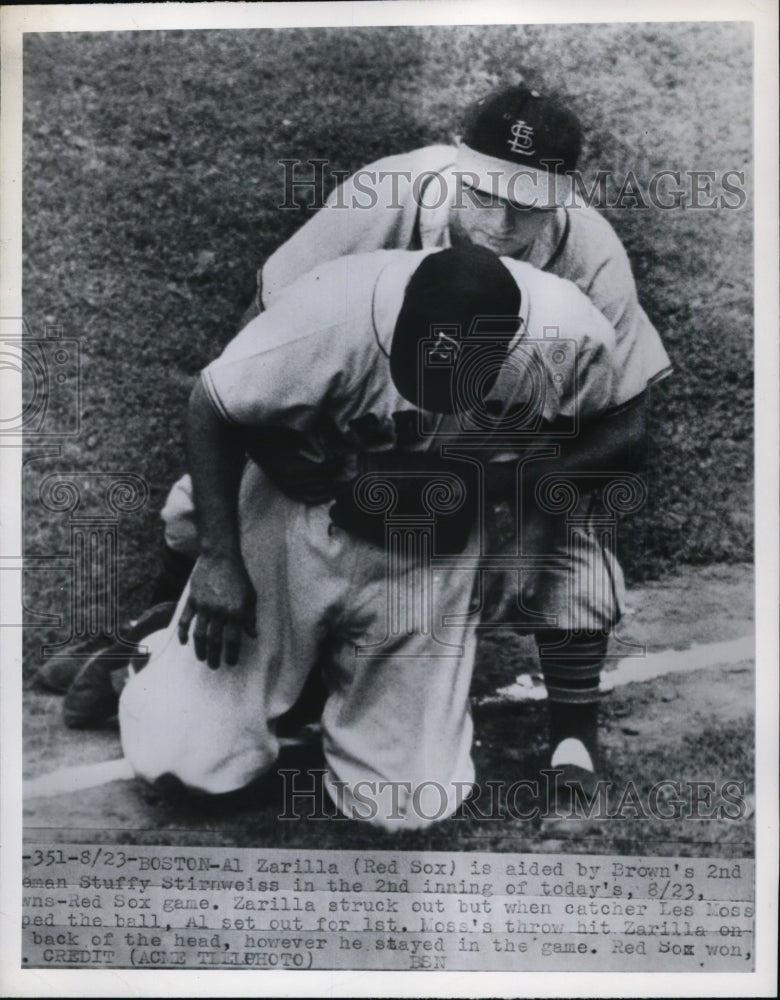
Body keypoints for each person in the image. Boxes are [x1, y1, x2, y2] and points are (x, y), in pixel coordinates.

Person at [118, 244, 629, 829]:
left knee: (407, 807)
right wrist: (217, 557)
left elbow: (563, 442)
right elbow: (212, 404)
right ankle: (158, 660)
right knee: (183, 764)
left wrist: (529, 546)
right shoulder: (331, 311)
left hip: (431, 551)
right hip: (297, 515)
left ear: (508, 343)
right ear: (397, 327)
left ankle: (328, 689)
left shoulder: (570, 337)